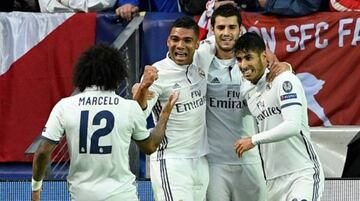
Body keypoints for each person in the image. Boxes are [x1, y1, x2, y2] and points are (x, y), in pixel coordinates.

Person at [31, 44, 178, 201]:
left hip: (82, 196)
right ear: (117, 74)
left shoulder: (64, 106)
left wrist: (36, 188)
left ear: (82, 73)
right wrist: (165, 114)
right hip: (122, 196)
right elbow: (150, 147)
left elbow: (42, 152)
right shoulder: (129, 108)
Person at [199, 4, 290, 201]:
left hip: (250, 161)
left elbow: (279, 81)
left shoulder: (253, 63)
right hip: (215, 164)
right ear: (211, 30)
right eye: (221, 28)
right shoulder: (201, 62)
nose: (226, 33)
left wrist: (286, 68)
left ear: (240, 30)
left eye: (231, 27)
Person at [234, 32, 324, 201]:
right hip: (272, 182)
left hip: (301, 175)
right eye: (239, 59)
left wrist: (253, 140)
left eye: (248, 57)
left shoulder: (284, 80)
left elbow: (293, 125)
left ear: (264, 56)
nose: (243, 65)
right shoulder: (246, 89)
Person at [134, 16, 213, 201]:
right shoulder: (158, 73)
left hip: (200, 161)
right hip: (171, 162)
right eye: (175, 39)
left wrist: (277, 61)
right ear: (168, 41)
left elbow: (229, 37)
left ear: (197, 44)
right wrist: (143, 87)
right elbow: (138, 114)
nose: (180, 45)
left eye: (187, 40)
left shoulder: (203, 58)